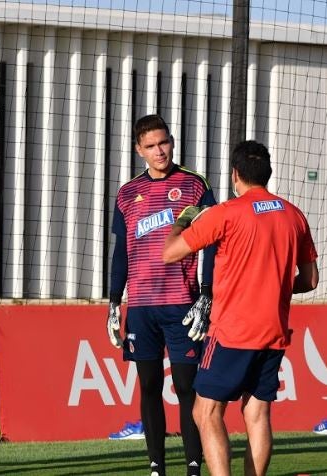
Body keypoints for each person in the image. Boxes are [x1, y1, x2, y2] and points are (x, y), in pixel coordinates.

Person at [163, 140, 319, 476]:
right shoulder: (294, 216)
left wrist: (183, 221)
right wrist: (272, 285)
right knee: (258, 414)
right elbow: (311, 280)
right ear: (268, 173)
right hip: (273, 332)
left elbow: (170, 253)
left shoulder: (226, 213)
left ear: (235, 175)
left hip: (233, 332)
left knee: (204, 412)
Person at [107, 114, 215, 476]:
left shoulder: (195, 185)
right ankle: (156, 465)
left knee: (187, 386)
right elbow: (121, 251)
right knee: (149, 384)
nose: (159, 151)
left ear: (172, 140)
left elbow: (213, 244)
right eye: (151, 146)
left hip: (182, 304)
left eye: (164, 142)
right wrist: (112, 301)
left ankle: (194, 463)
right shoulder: (126, 194)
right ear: (139, 150)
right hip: (140, 306)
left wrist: (207, 293)